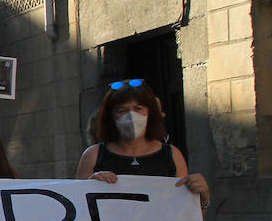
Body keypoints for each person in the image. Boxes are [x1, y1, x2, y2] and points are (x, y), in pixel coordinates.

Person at [77, 79, 209, 207]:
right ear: (111, 116)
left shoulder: (172, 155)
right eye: (122, 110)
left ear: (150, 112)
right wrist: (90, 185)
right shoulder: (93, 156)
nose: (131, 116)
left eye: (138, 108)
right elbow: (79, 210)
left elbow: (185, 216)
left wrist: (203, 198)